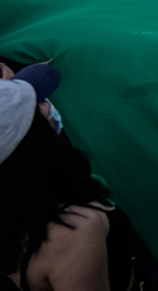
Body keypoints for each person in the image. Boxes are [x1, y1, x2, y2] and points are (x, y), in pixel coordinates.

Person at [0, 65, 135, 291]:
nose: (47, 106)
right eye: (37, 106)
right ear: (34, 145)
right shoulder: (74, 229)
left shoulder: (18, 208)